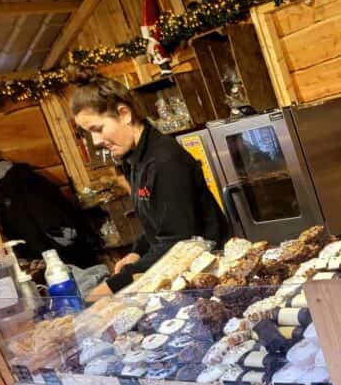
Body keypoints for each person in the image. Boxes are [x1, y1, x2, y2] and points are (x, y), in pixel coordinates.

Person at [68, 69, 229, 300]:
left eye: (98, 129)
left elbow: (177, 241)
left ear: (124, 114)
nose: (96, 142)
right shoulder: (135, 159)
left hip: (210, 273)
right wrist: (137, 253)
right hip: (186, 274)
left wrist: (114, 287)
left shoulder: (164, 160)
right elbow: (157, 223)